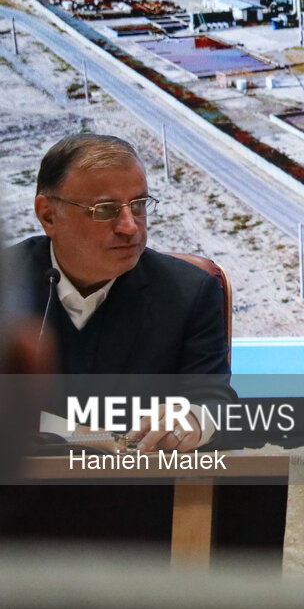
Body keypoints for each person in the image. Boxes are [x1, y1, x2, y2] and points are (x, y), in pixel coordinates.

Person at [8, 133, 234, 452]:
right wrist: (85, 435)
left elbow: (214, 403)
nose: (130, 227)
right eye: (105, 209)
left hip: (138, 479)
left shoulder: (189, 291)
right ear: (48, 215)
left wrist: (193, 421)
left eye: (138, 205)